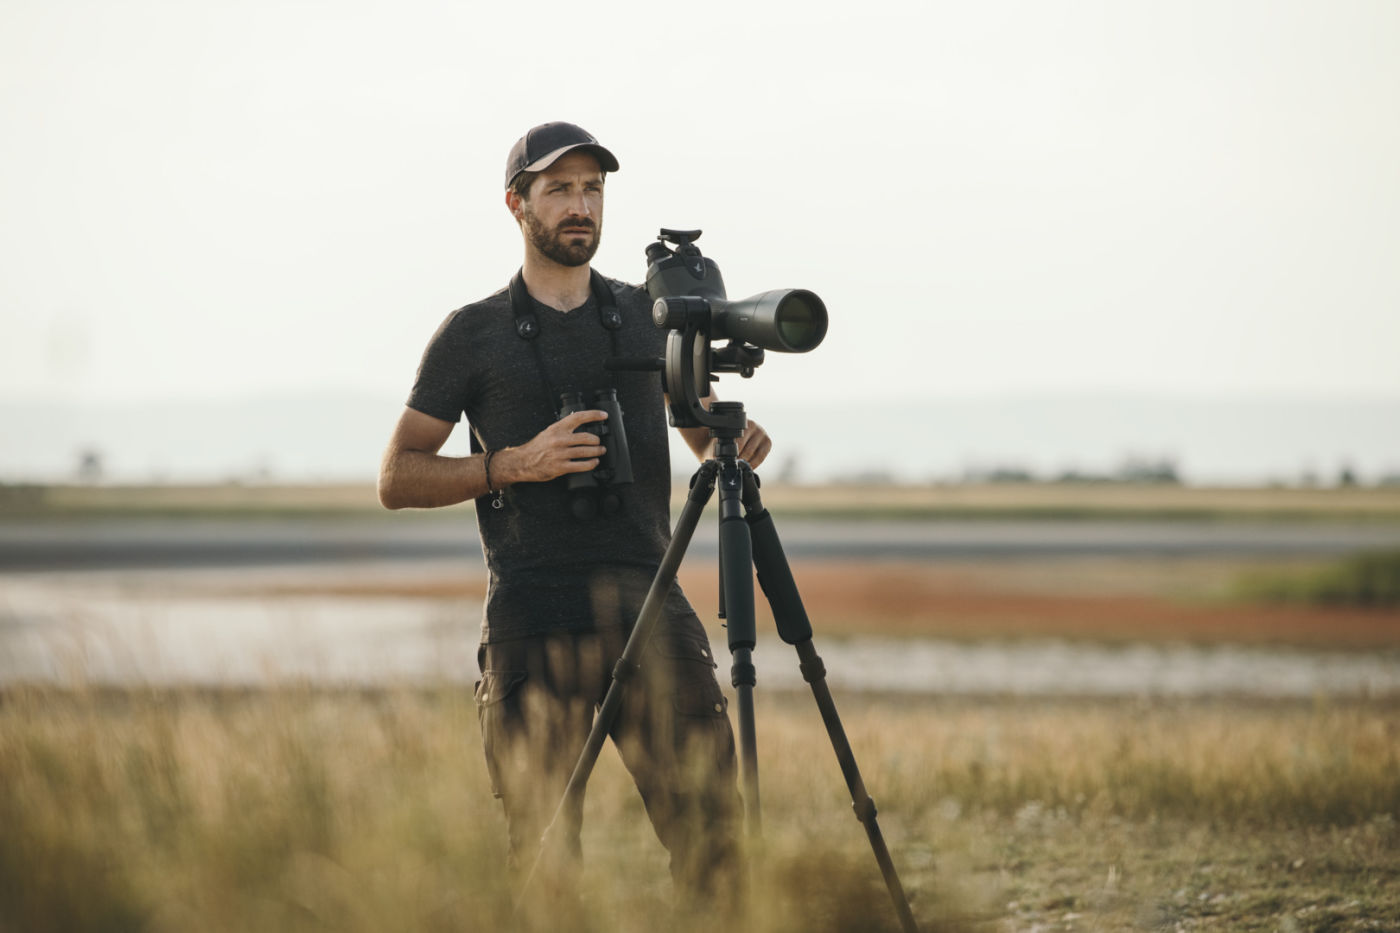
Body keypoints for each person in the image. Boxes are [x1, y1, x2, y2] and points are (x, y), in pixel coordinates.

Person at [377, 121, 768, 911]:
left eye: (592, 189)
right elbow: (397, 475)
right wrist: (511, 464)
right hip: (529, 608)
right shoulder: (472, 333)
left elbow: (697, 426)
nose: (580, 205)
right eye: (559, 189)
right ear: (517, 203)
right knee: (546, 850)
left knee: (713, 832)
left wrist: (729, 435)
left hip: (647, 602)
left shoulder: (645, 313)